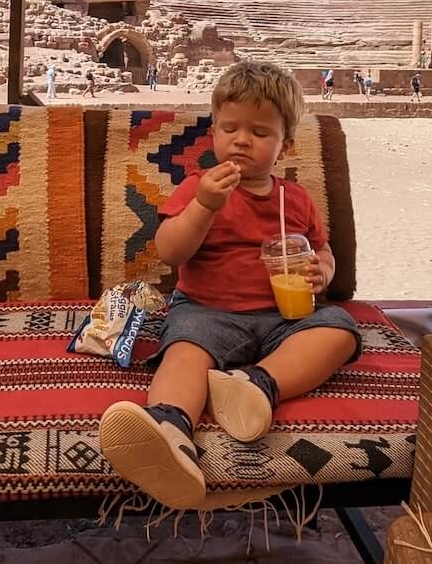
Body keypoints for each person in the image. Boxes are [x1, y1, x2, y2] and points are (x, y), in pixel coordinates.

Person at [97, 61, 361, 510]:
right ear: (214, 133)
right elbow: (170, 251)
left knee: (339, 329)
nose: (241, 140)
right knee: (185, 353)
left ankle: (256, 385)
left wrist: (324, 271)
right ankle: (169, 432)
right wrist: (204, 207)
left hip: (284, 318)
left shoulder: (295, 199)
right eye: (230, 128)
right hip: (207, 311)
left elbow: (322, 250)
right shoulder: (197, 189)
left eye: (259, 132)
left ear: (284, 146)